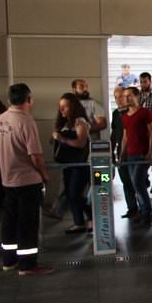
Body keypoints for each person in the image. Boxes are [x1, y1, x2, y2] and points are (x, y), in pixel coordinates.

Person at [0, 84, 53, 276]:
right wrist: (44, 175)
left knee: (9, 220)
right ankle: (27, 264)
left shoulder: (1, 119)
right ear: (29, 99)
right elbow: (35, 155)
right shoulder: (26, 121)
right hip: (27, 180)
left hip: (7, 179)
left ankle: (9, 260)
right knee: (28, 223)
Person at [53, 93, 93, 235]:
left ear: (73, 107)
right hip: (68, 164)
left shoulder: (80, 122)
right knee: (70, 195)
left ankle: (91, 215)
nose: (62, 110)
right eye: (60, 107)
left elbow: (81, 143)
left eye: (65, 107)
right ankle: (79, 222)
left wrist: (62, 139)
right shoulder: (64, 124)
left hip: (80, 164)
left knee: (74, 193)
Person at [121, 87, 152, 223]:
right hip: (130, 154)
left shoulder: (145, 112)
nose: (127, 98)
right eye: (125, 96)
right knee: (135, 183)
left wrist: (150, 152)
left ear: (137, 96)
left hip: (142, 154)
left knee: (137, 182)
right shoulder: (124, 116)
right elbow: (125, 137)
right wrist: (121, 154)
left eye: (129, 95)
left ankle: (147, 211)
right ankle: (143, 210)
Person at [111, 86, 137, 220]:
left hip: (134, 151)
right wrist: (112, 151)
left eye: (120, 96)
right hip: (121, 151)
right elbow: (114, 133)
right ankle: (132, 208)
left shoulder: (133, 112)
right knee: (126, 181)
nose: (118, 100)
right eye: (115, 97)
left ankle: (143, 209)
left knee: (136, 181)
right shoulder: (116, 114)